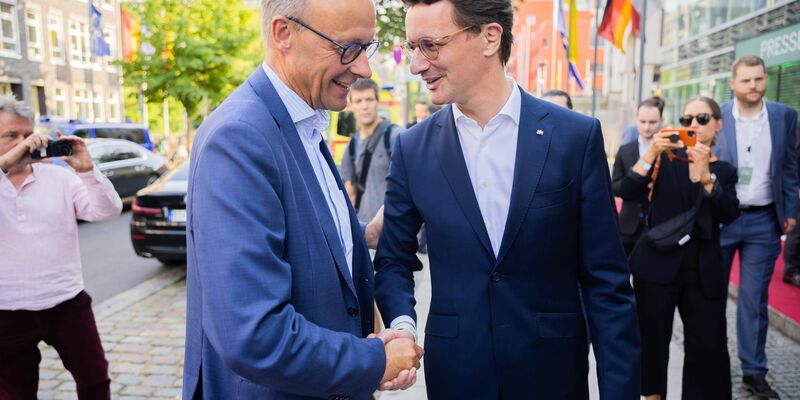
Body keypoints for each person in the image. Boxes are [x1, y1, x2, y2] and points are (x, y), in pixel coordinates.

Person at [374, 0, 640, 398]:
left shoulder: (573, 138)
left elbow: (607, 284)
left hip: (551, 374)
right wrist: (402, 329)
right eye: (413, 47)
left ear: (489, 37)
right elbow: (393, 259)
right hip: (458, 376)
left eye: (430, 45)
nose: (417, 64)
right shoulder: (413, 148)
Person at [183, 1, 422, 399]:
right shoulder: (240, 138)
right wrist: (375, 361)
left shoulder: (303, 121)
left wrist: (360, 235)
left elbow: (295, 234)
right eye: (348, 48)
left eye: (368, 48)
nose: (364, 69)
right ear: (283, 34)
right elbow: (254, 334)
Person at [0, 96, 123, 400]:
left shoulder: (59, 178)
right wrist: (5, 164)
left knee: (95, 381)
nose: (24, 143)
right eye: (11, 136)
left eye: (28, 135)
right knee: (14, 393)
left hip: (66, 302)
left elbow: (106, 212)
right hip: (6, 310)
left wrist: (86, 170)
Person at [622, 96, 739, 400]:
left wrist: (707, 179)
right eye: (687, 120)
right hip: (656, 265)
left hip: (703, 269)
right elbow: (628, 190)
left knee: (708, 347)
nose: (694, 126)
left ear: (718, 125)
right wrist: (652, 152)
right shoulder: (664, 159)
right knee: (652, 343)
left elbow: (728, 212)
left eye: (702, 119)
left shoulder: (723, 170)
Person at [716, 55, 799, 399]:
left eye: (759, 79)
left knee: (754, 299)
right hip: (720, 219)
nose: (753, 86)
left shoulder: (784, 116)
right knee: (709, 296)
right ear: (733, 83)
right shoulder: (716, 117)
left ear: (766, 80)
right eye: (746, 80)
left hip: (764, 220)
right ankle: (712, 363)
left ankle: (754, 371)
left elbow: (791, 165)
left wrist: (791, 209)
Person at [340, 78, 403, 223]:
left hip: (394, 229)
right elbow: (351, 194)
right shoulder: (352, 145)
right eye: (358, 101)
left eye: (369, 99)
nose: (364, 106)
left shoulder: (396, 137)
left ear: (377, 102)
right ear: (351, 105)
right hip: (364, 229)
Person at [613, 97, 665, 255]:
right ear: (636, 120)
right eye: (642, 121)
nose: (647, 127)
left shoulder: (670, 151)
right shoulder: (625, 150)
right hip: (629, 226)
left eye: (652, 122)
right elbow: (615, 186)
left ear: (661, 120)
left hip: (661, 224)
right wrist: (638, 182)